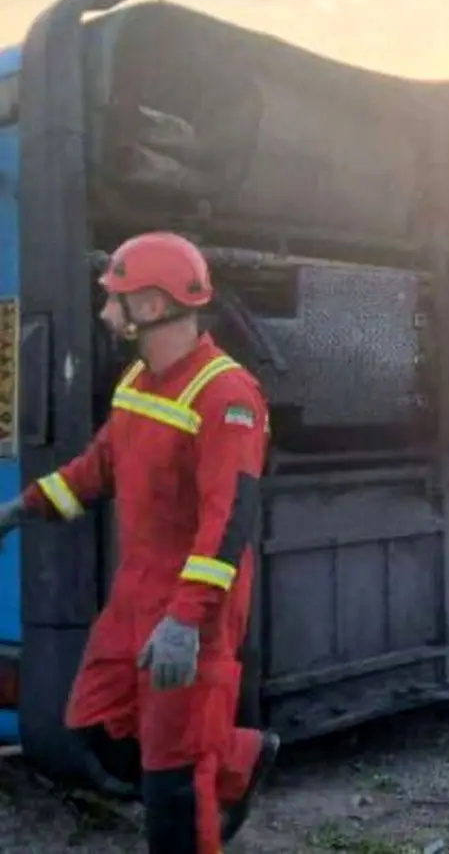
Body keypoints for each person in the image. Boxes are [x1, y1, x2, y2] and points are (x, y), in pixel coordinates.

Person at [0, 231, 279, 853]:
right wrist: (19, 509)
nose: (105, 312)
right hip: (135, 594)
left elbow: (227, 520)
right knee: (95, 728)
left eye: (114, 299)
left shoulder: (225, 395)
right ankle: (236, 759)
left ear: (151, 307)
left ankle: (205, 783)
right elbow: (99, 467)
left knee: (173, 783)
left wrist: (186, 621)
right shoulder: (139, 379)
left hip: (192, 608)